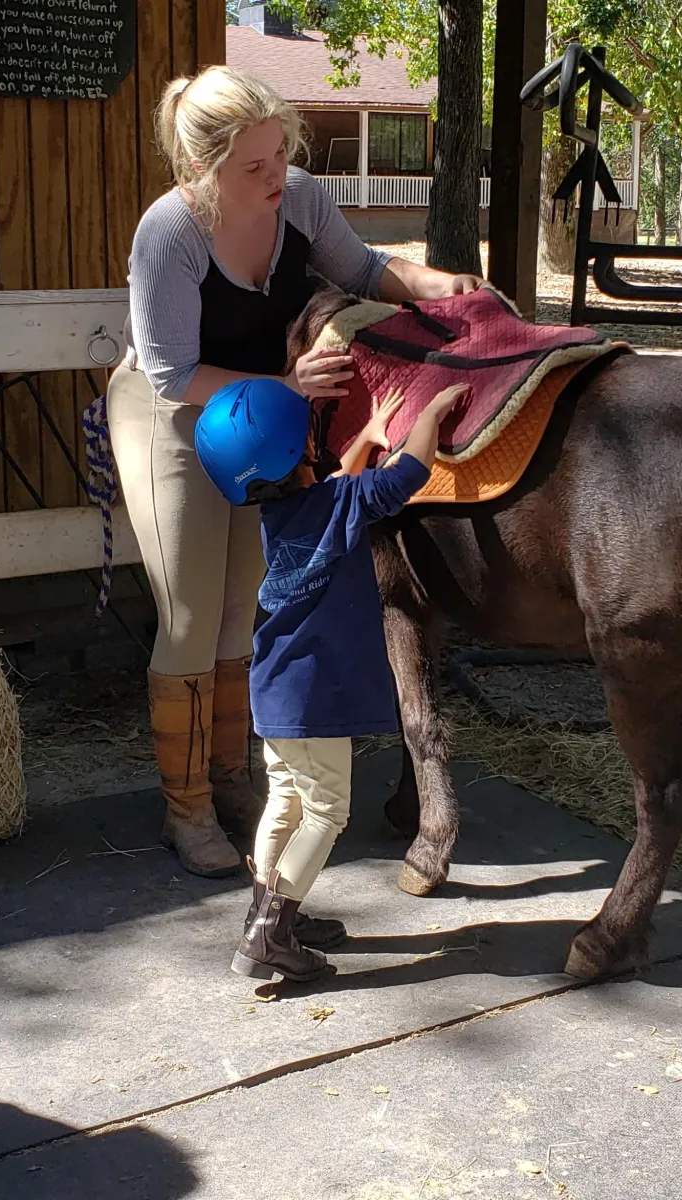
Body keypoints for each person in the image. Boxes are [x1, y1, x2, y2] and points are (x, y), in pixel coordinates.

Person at [107, 63, 485, 879]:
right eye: (255, 165)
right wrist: (284, 386)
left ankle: (235, 778)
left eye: (281, 152)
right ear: (202, 170)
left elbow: (364, 268)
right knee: (190, 612)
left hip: (266, 422)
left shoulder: (303, 199)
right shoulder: (168, 234)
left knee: (245, 602)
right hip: (174, 418)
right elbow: (172, 374)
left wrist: (433, 281)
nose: (278, 174)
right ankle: (189, 810)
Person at [194, 376, 469, 981]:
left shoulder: (281, 514)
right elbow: (406, 475)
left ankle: (268, 914)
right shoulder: (338, 504)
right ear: (297, 454)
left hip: (273, 689)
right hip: (313, 697)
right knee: (326, 812)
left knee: (287, 801)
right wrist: (433, 411)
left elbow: (334, 488)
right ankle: (270, 937)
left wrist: (367, 437)